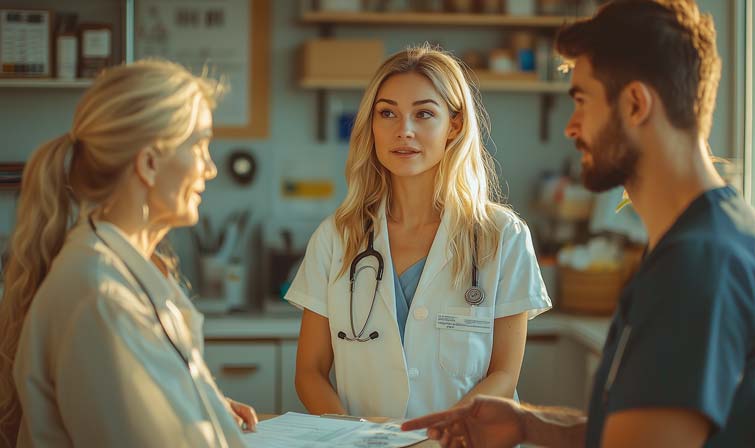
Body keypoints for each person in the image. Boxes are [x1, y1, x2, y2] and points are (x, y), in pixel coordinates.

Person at [402, 1, 755, 447]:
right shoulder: (717, 233)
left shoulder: (698, 263)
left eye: (582, 101)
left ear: (634, 104)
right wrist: (530, 425)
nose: (572, 127)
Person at [0, 60, 257, 448]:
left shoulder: (118, 269)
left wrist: (203, 404)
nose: (211, 168)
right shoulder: (102, 298)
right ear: (150, 163)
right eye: (200, 146)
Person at [287, 45, 552, 419]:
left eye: (424, 113)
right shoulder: (337, 236)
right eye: (388, 113)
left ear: (454, 125)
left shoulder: (502, 236)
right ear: (372, 124)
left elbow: (504, 375)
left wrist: (439, 438)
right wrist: (355, 439)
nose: (403, 130)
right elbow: (309, 373)